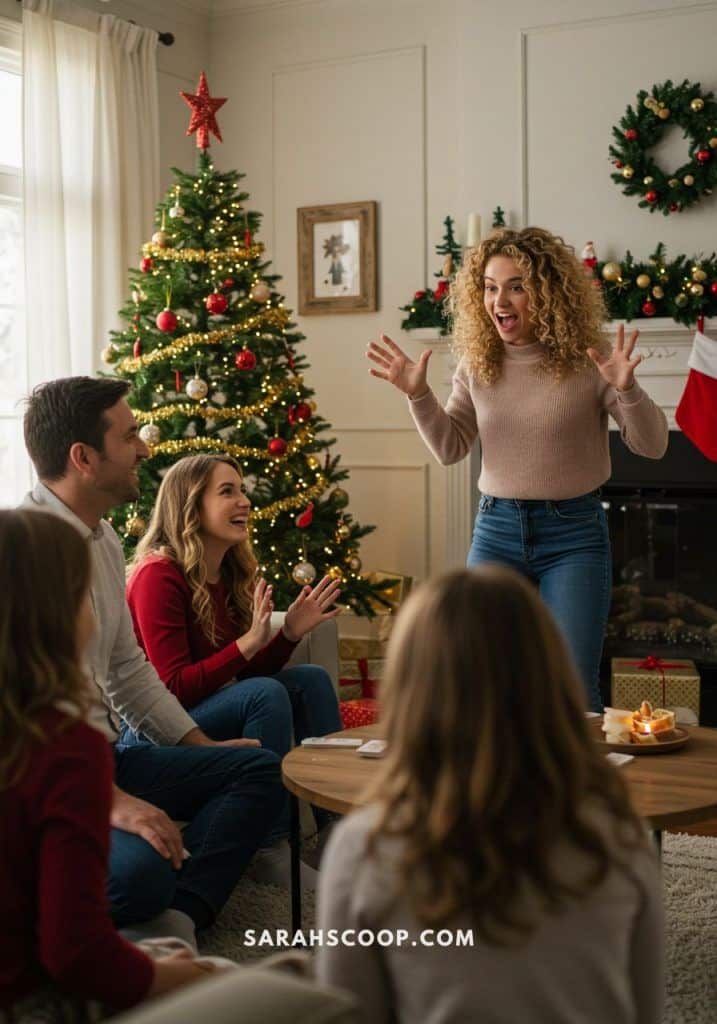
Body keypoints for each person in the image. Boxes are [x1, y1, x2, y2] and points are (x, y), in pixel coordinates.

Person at [316, 566, 664, 1024]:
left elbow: (347, 1012)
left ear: (409, 691)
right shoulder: (622, 838)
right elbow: (645, 1011)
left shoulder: (364, 848)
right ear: (552, 679)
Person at [22, 377, 285, 944]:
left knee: (255, 767)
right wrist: (109, 801)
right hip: (47, 779)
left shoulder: (103, 539)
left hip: (109, 758)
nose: (144, 448)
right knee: (140, 874)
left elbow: (128, 670)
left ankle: (181, 914)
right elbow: (22, 722)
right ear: (83, 458)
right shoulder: (25, 551)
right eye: (129, 436)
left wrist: (200, 746)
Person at [367, 227, 668, 711]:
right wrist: (418, 395)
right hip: (497, 530)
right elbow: (450, 447)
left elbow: (652, 445)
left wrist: (627, 389)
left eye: (516, 286)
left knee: (572, 689)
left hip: (574, 535)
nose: (499, 301)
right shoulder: (477, 363)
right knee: (482, 683)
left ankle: (573, 765)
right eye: (490, 287)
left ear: (548, 292)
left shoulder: (589, 359)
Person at [0, 509, 215, 1020]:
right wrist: (183, 977)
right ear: (55, 612)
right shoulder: (65, 744)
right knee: (277, 986)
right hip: (28, 1001)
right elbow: (76, 955)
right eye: (84, 596)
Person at [125, 453, 343, 879]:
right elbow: (172, 688)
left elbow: (241, 675)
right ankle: (268, 846)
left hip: (198, 710)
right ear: (191, 506)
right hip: (155, 731)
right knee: (267, 693)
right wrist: (246, 646)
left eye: (242, 490)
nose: (244, 501)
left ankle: (339, 834)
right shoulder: (158, 575)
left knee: (310, 680)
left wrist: (288, 634)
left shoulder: (223, 572)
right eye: (228, 491)